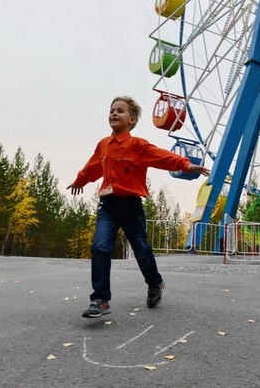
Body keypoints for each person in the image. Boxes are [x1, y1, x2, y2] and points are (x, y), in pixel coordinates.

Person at [67, 96, 209, 318]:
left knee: (142, 251)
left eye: (120, 111)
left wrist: (186, 164)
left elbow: (163, 157)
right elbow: (93, 166)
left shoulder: (138, 146)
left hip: (131, 207)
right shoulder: (104, 145)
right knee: (100, 248)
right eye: (112, 110)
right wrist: (80, 181)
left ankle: (155, 283)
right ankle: (100, 300)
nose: (114, 113)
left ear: (131, 120)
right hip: (108, 206)